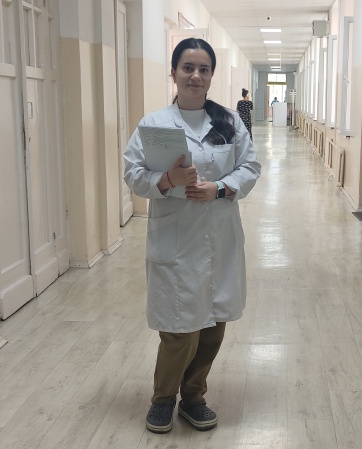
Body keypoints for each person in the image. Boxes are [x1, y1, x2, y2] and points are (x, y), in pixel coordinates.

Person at [122, 37, 261, 435]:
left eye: (203, 69)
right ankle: (163, 399)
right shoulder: (153, 124)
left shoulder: (228, 122)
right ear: (174, 73)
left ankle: (194, 396)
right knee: (179, 329)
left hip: (219, 235)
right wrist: (167, 179)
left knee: (214, 325)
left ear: (211, 75)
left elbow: (250, 166)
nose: (195, 76)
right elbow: (132, 173)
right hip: (176, 240)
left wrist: (218, 188)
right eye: (187, 68)